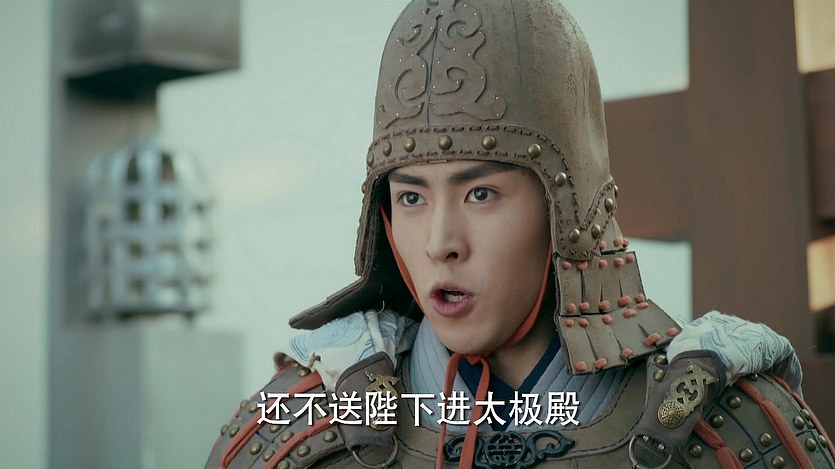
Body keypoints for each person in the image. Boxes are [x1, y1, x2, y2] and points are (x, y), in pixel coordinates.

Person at [204, 1, 835, 468]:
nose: (440, 243)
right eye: (412, 197)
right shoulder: (296, 432)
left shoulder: (727, 430)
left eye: (481, 194)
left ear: (566, 209)